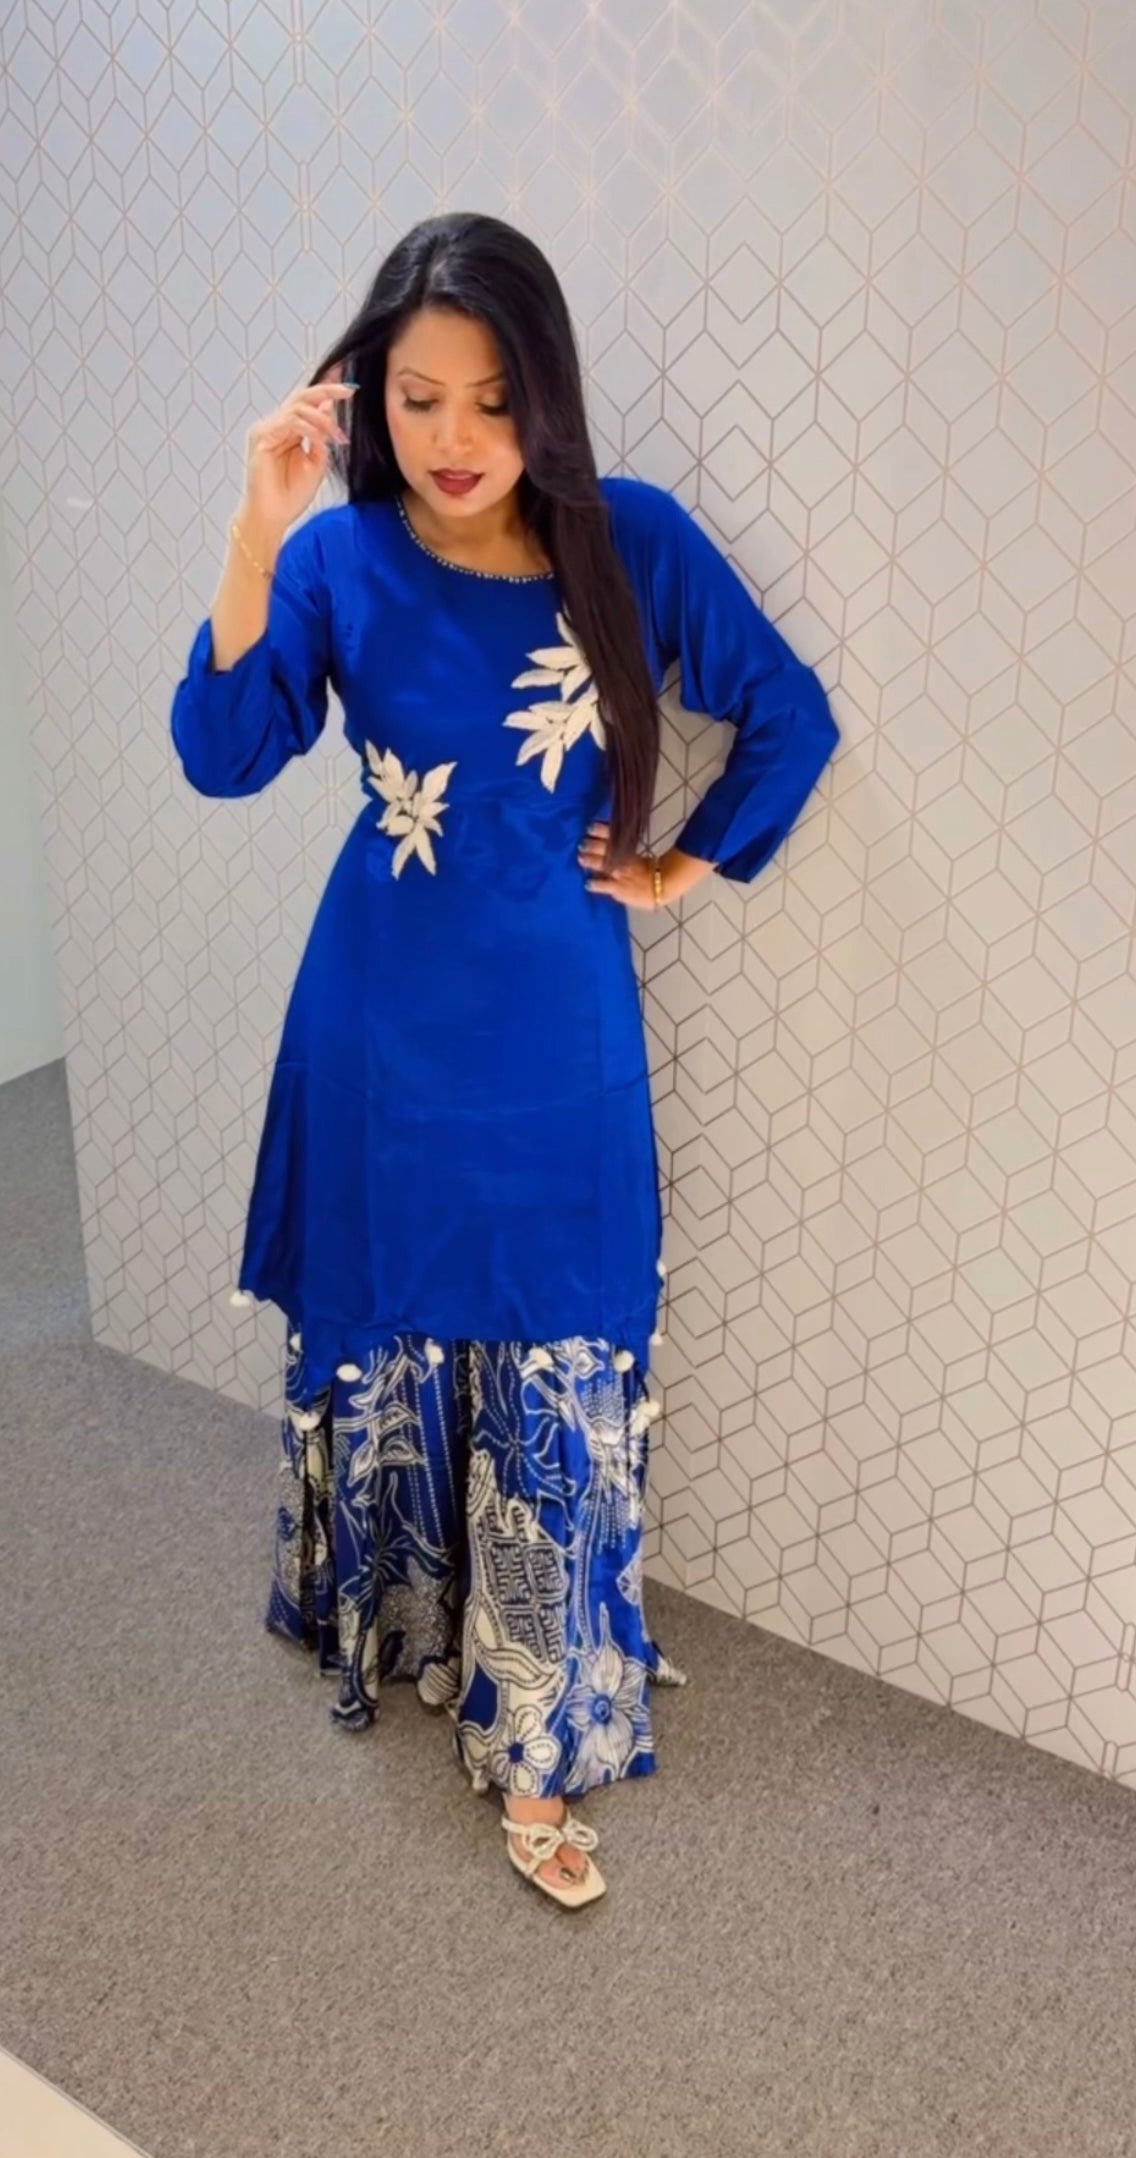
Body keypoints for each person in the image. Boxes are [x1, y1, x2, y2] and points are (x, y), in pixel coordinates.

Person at [170, 212, 839, 1910]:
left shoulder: (629, 540)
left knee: (555, 1336)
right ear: (367, 397)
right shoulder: (336, 556)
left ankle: (539, 1727)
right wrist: (257, 529)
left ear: (546, 396)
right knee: (397, 1320)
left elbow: (791, 711)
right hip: (375, 1022)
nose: (455, 439)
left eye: (492, 400)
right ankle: (406, 1618)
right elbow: (225, 752)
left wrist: (687, 863)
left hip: (556, 1032)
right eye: (418, 400)